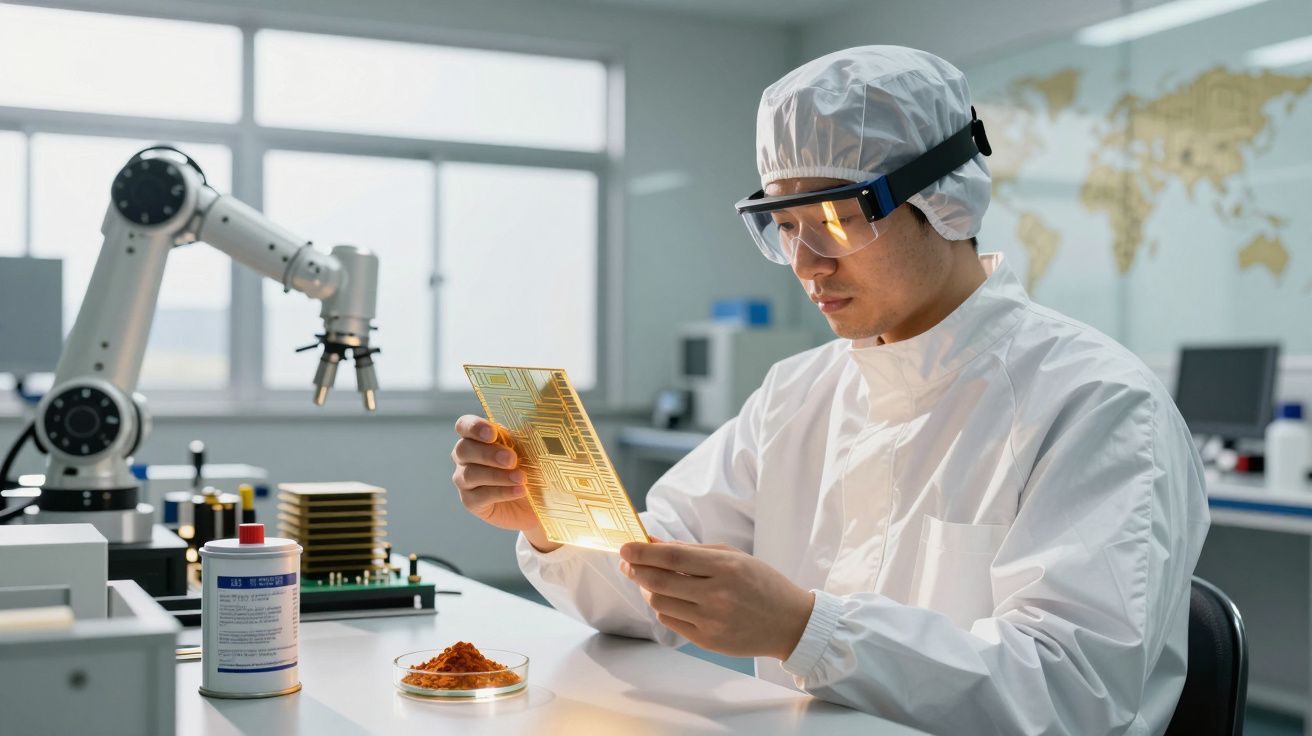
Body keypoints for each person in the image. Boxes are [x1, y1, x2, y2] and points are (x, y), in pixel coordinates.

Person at [449, 45, 1209, 735]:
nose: (808, 263)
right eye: (784, 225)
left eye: (838, 220)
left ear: (943, 198)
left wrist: (803, 629)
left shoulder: (1097, 403)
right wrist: (552, 524)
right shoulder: (799, 391)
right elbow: (653, 586)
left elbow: (1074, 694)